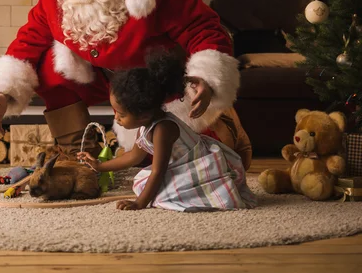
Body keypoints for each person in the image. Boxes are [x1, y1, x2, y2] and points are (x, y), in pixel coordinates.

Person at [0, 0, 251, 166]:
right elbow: (31, 37)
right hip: (99, 77)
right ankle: (79, 157)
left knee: (172, 161)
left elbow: (201, 26)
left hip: (156, 78)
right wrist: (3, 91)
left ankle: (224, 124)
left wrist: (206, 78)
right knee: (51, 69)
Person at [77, 49, 257, 211]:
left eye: (121, 115)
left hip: (200, 167)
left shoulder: (163, 129)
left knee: (156, 191)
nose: (116, 118)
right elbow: (133, 157)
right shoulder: (146, 126)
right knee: (143, 182)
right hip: (180, 166)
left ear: (143, 115)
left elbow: (159, 171)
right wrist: (99, 166)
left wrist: (140, 203)